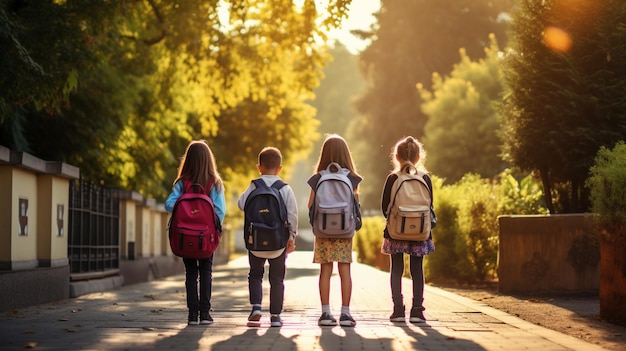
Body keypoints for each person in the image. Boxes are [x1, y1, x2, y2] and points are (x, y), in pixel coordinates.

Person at [165, 140, 226, 326]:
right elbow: (220, 210)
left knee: (190, 272)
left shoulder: (182, 183)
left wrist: (186, 207)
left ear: (188, 160)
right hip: (206, 237)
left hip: (185, 237)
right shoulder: (214, 183)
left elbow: (168, 204)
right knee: (206, 271)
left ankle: (192, 314)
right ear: (209, 160)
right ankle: (205, 314)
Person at [237, 147, 298, 328]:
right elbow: (292, 215)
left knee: (255, 274)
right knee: (277, 279)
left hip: (254, 240)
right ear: (280, 168)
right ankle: (275, 316)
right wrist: (291, 237)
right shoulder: (285, 188)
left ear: (259, 167)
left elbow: (241, 204)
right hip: (278, 241)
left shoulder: (254, 185)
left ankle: (256, 307)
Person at [307, 134, 362, 327]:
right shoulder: (352, 178)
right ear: (346, 154)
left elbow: (310, 204)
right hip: (344, 230)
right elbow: (355, 204)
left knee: (325, 270)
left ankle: (325, 313)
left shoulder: (317, 178)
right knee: (345, 270)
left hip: (323, 230)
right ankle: (346, 314)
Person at [381, 136, 436, 323]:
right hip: (420, 231)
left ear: (396, 157)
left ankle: (397, 310)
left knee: (397, 269)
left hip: (396, 230)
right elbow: (430, 207)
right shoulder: (425, 178)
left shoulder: (393, 178)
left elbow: (384, 208)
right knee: (417, 269)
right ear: (419, 157)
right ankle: (417, 310)